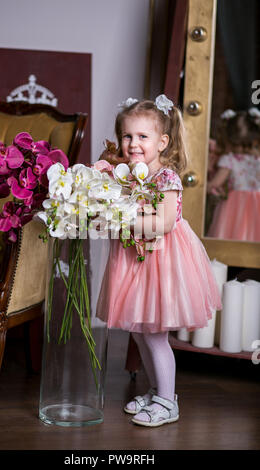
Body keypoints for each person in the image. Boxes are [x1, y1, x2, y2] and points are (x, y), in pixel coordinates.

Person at [96, 95, 222, 427]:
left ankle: (169, 401)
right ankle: (157, 391)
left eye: (142, 137)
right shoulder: (125, 176)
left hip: (163, 260)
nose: (132, 143)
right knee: (139, 332)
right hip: (135, 259)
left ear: (162, 142)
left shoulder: (166, 178)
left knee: (155, 335)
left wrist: (120, 220)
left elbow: (164, 224)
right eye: (127, 136)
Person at [207, 108, 260, 241]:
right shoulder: (257, 160)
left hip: (234, 207)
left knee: (230, 236)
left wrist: (205, 186)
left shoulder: (229, 159)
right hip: (255, 206)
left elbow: (216, 183)